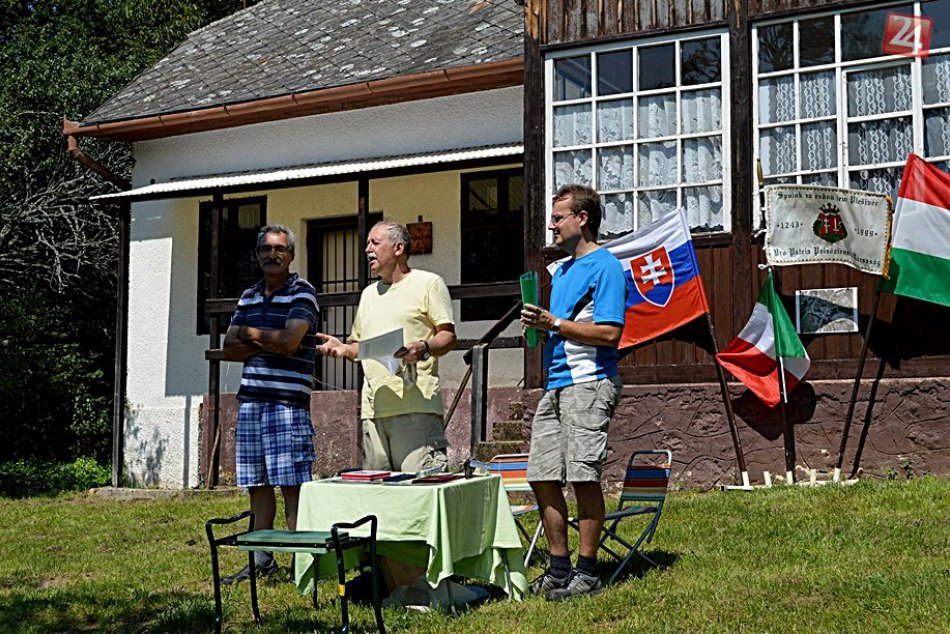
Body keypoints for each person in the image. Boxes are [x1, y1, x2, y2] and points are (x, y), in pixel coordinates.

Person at [520, 184, 626, 601]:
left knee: (583, 475)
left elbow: (610, 332)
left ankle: (588, 573)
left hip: (590, 382)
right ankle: (558, 567)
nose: (551, 224)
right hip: (556, 383)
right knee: (542, 475)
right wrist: (540, 326)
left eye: (558, 217)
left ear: (582, 219)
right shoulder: (560, 272)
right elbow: (556, 325)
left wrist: (556, 325)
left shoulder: (607, 267)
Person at [220, 224, 319, 584]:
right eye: (265, 249)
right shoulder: (249, 296)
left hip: (286, 404)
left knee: (292, 486)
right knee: (257, 486)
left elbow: (292, 341)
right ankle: (261, 561)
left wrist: (252, 334)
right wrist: (268, 340)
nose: (272, 255)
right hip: (251, 403)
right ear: (258, 255)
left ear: (291, 255)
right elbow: (230, 347)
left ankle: (302, 565)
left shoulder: (302, 292)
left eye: (279, 249)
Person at [316, 220, 456, 472]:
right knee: (379, 493)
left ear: (398, 248)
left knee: (418, 490)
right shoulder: (369, 294)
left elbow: (447, 336)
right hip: (374, 410)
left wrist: (423, 347)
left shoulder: (429, 283)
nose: (367, 248)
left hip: (416, 407)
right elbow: (359, 345)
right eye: (367, 243)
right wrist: (343, 349)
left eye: (374, 242)